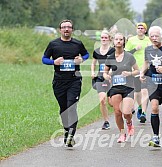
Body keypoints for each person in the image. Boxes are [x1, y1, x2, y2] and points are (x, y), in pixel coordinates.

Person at [42, 19, 89, 147]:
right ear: (60, 30)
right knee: (63, 109)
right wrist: (54, 62)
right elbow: (44, 59)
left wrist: (81, 59)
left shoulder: (77, 44)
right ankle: (66, 131)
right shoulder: (53, 44)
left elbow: (86, 55)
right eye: (64, 27)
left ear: (72, 30)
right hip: (59, 81)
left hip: (74, 80)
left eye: (69, 27)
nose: (66, 29)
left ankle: (71, 136)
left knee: (71, 107)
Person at [103, 32, 139, 143]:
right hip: (115, 87)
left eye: (121, 40)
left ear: (124, 42)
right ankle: (122, 133)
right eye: (116, 39)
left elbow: (137, 70)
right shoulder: (110, 57)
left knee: (126, 112)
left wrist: (129, 74)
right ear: (113, 42)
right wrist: (107, 76)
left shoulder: (129, 56)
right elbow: (104, 72)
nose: (118, 41)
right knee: (117, 112)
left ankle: (129, 123)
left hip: (128, 87)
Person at [125, 22, 151, 123]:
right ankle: (140, 107)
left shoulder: (149, 40)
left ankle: (143, 113)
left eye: (142, 28)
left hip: (146, 69)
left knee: (145, 91)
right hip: (134, 69)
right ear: (136, 30)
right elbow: (126, 54)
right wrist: (135, 49)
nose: (140, 29)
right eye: (138, 28)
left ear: (145, 30)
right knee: (137, 92)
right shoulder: (131, 40)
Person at [91, 30, 115, 130]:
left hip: (111, 78)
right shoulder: (96, 51)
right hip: (100, 78)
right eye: (102, 38)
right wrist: (92, 72)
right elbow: (93, 63)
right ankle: (106, 121)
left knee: (111, 102)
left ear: (109, 39)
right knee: (102, 100)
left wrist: (111, 71)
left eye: (105, 38)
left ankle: (124, 111)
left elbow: (117, 62)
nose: (104, 39)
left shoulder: (113, 50)